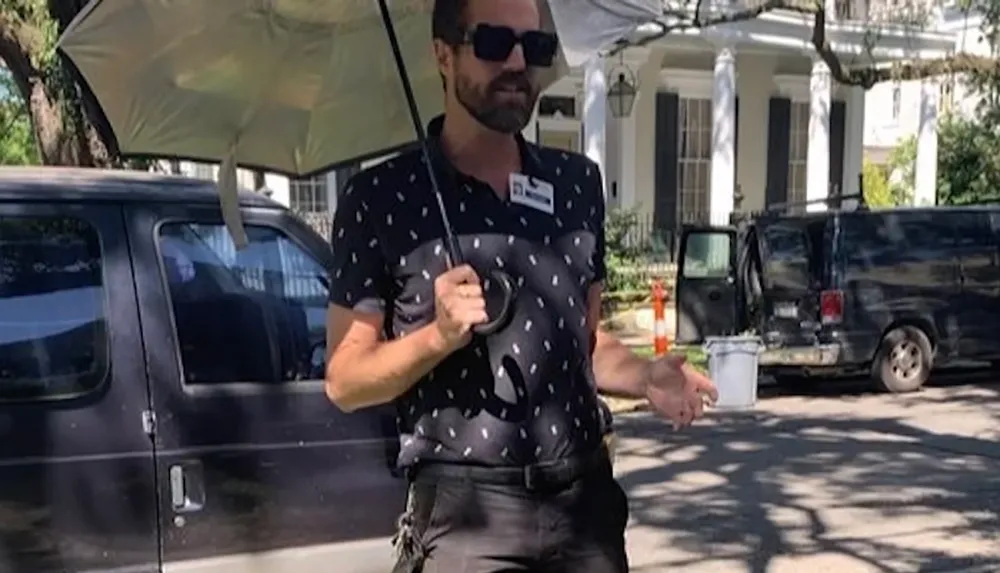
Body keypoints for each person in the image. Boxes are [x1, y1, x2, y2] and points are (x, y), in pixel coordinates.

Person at [324, 0, 718, 570]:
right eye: (492, 43)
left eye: (533, 48)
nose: (516, 62)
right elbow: (344, 380)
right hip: (468, 521)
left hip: (585, 507)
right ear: (442, 53)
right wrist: (437, 336)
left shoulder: (575, 185)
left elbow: (582, 342)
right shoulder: (381, 199)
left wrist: (644, 375)